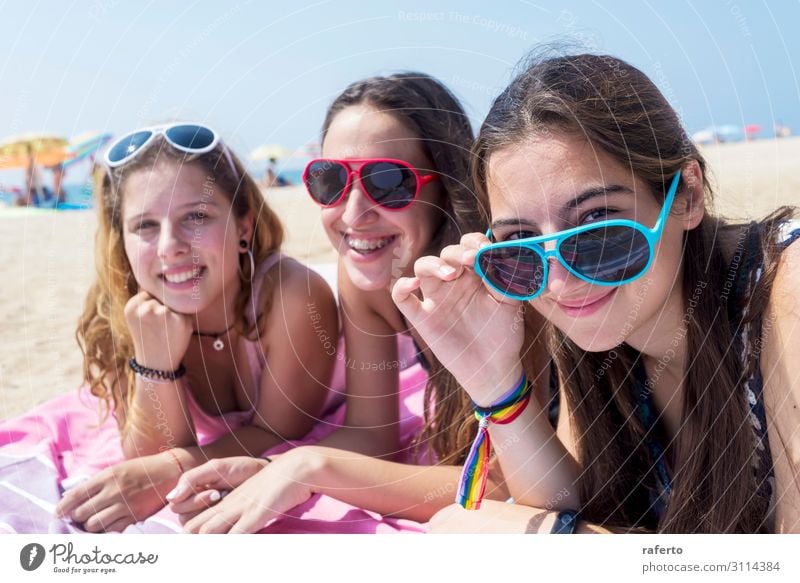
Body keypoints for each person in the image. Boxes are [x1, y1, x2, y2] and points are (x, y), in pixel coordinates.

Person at [393, 53, 800, 533]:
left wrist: (559, 541)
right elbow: (573, 499)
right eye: (522, 245)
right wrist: (494, 383)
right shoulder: (592, 322)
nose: (561, 280)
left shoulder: (785, 290)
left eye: (597, 228)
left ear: (687, 196)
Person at [167, 74, 541, 534]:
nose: (352, 213)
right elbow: (372, 432)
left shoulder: (497, 283)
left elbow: (510, 484)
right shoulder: (366, 274)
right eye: (331, 181)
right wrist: (268, 469)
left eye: (388, 181)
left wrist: (310, 469)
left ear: (446, 184)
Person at [54, 123, 338, 532]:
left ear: (243, 227)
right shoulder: (120, 314)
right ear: (123, 240)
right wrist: (156, 361)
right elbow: (147, 456)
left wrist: (171, 469)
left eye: (197, 216)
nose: (170, 245)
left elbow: (281, 432)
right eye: (145, 226)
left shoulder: (293, 296)